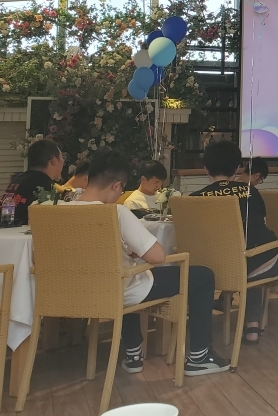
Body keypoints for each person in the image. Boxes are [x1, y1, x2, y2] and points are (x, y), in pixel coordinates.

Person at [61, 149, 229, 375]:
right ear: (116, 186)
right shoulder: (116, 212)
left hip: (73, 291)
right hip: (117, 290)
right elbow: (157, 257)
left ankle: (133, 352)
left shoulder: (56, 212)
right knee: (203, 276)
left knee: (125, 272)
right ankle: (200, 356)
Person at [191, 141, 278, 344]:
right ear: (237, 168)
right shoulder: (250, 192)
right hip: (258, 260)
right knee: (251, 259)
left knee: (239, 259)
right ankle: (252, 325)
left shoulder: (193, 199)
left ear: (206, 168)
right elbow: (261, 224)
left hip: (218, 265)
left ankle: (209, 313)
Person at [0, 138, 64, 225]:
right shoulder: (45, 185)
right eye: (62, 157)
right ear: (54, 161)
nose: (63, 162)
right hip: (18, 231)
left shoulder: (18, 179)